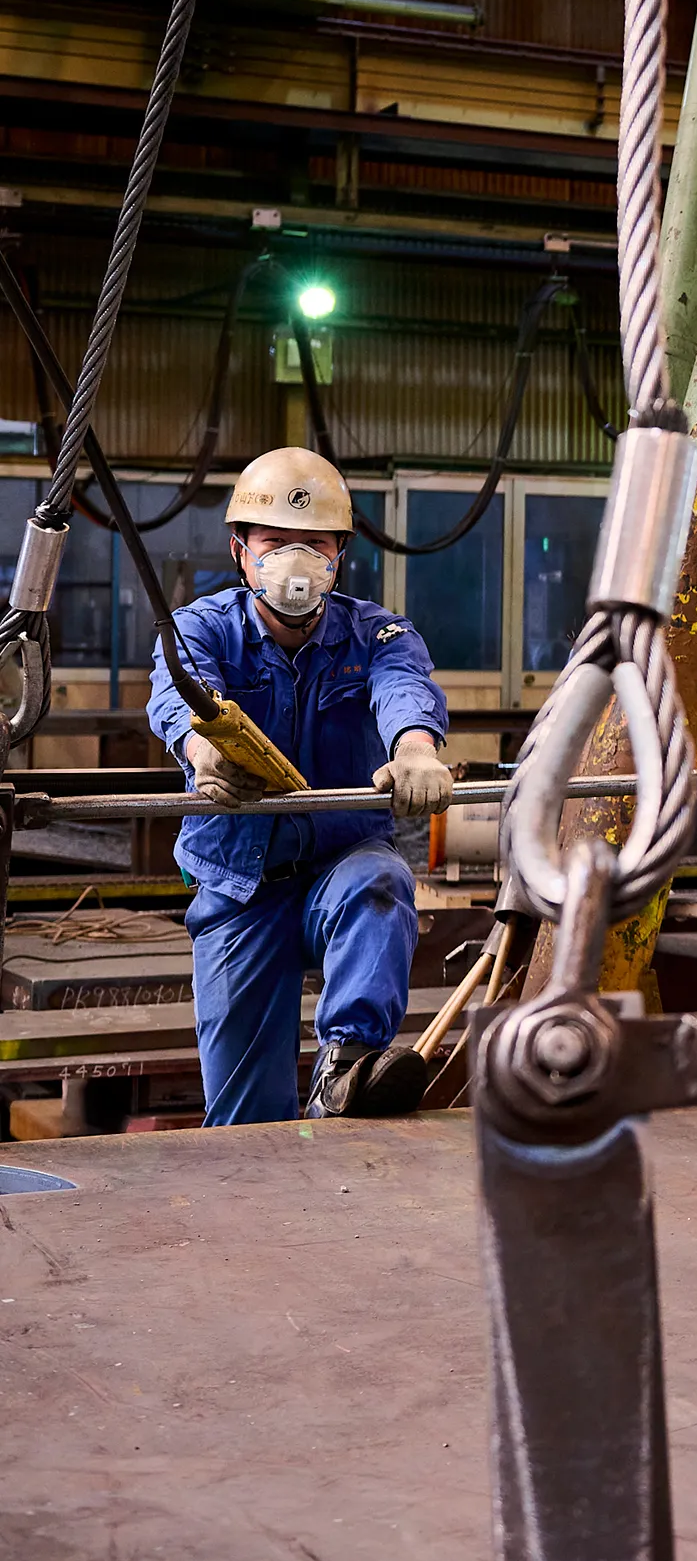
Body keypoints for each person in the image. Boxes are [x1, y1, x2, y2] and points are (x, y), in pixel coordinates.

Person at [147, 447, 452, 1124]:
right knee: (245, 1118)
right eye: (275, 543)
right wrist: (203, 751)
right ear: (240, 550)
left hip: (340, 859)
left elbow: (404, 686)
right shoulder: (202, 629)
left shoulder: (377, 632)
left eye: (314, 544)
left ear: (339, 554)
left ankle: (346, 1069)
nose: (295, 561)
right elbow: (180, 693)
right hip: (238, 883)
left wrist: (416, 749)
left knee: (380, 882)